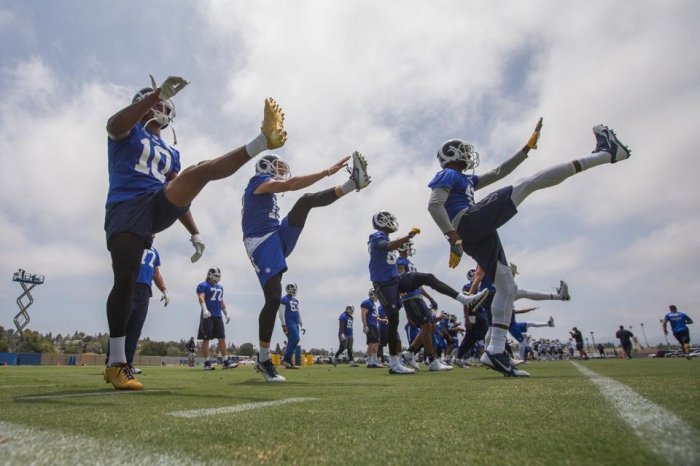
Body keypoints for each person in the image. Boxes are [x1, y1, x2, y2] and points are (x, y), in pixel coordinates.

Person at [103, 73, 286, 390]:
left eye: (163, 103)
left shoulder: (170, 150)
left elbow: (179, 191)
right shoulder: (128, 131)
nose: (161, 107)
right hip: (126, 206)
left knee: (198, 170)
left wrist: (195, 232)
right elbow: (113, 125)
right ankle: (116, 363)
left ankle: (261, 141)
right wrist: (155, 95)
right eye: (156, 102)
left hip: (155, 203)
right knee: (126, 279)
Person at [427, 119, 630, 376]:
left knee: (507, 287)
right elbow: (434, 204)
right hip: (467, 222)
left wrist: (525, 149)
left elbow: (499, 172)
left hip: (472, 231)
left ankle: (495, 350)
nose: (467, 154)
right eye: (463, 150)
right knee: (527, 183)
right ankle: (606, 154)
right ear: (451, 154)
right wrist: (452, 236)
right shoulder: (449, 174)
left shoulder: (464, 179)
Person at [242, 151, 371, 383]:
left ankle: (352, 184)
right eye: (277, 167)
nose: (281, 171)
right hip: (261, 241)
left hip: (276, 234)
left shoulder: (265, 187)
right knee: (273, 298)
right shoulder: (257, 181)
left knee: (305, 202)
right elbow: (291, 184)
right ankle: (263, 358)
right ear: (265, 167)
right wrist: (327, 172)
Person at [368, 211, 489, 374]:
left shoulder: (386, 239)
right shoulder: (376, 236)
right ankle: (394, 363)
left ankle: (464, 299)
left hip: (395, 280)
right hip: (384, 284)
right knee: (394, 319)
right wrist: (407, 237)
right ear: (382, 221)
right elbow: (387, 246)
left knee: (428, 277)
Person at [396, 239, 452, 372]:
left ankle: (410, 352)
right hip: (410, 297)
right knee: (426, 325)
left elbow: (418, 284)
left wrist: (430, 297)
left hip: (417, 297)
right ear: (404, 247)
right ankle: (432, 360)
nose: (410, 248)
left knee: (430, 326)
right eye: (409, 246)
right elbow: (401, 280)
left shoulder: (410, 263)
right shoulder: (400, 262)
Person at [123, 242, 169, 375]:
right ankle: (112, 363)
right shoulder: (132, 242)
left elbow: (156, 273)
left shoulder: (154, 251)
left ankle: (127, 364)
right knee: (122, 326)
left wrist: (164, 290)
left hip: (145, 291)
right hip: (130, 286)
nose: (153, 235)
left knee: (135, 329)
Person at [197, 267, 233, 370]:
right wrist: (204, 309)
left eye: (219, 276)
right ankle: (207, 363)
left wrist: (226, 313)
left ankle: (225, 362)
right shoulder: (203, 285)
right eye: (216, 276)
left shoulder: (220, 287)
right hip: (207, 315)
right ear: (210, 275)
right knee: (206, 339)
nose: (218, 278)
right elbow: (201, 297)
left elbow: (221, 301)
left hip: (218, 315)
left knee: (222, 338)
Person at [279, 283, 305, 369]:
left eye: (295, 289)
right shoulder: (284, 299)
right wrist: (283, 325)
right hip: (289, 323)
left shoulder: (296, 300)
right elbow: (281, 313)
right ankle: (285, 359)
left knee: (291, 342)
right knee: (296, 339)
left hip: (295, 323)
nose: (294, 291)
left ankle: (289, 363)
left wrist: (302, 325)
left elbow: (298, 313)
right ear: (288, 289)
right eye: (292, 289)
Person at [361, 289, 382, 368]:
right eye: (376, 294)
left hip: (373, 324)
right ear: (372, 294)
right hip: (371, 325)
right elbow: (363, 314)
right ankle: (374, 361)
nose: (377, 296)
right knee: (376, 342)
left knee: (371, 343)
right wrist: (365, 325)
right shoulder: (367, 302)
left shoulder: (372, 303)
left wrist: (380, 320)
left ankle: (369, 361)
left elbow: (373, 315)